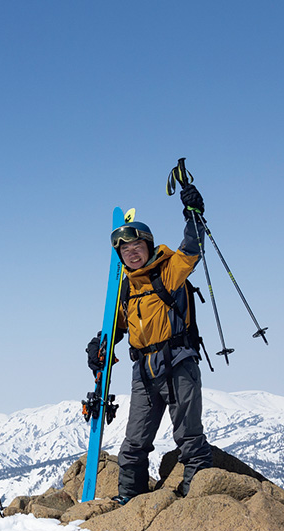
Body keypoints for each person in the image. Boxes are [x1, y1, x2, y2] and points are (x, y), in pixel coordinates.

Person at [86, 184, 213, 503]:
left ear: (148, 246)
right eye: (125, 250)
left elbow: (192, 249)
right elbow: (116, 327)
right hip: (143, 371)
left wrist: (193, 214)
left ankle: (196, 503)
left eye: (137, 246)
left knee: (189, 438)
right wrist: (99, 345)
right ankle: (130, 503)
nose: (131, 252)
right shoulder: (126, 290)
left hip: (178, 364)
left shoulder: (168, 272)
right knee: (134, 444)